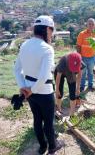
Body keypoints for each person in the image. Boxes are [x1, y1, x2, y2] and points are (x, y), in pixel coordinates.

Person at [14, 15, 64, 155]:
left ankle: (42, 147)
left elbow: (16, 69)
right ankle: (53, 147)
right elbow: (43, 76)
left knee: (37, 119)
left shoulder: (24, 45)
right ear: (47, 29)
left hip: (29, 91)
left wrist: (24, 87)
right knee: (48, 122)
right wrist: (31, 90)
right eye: (52, 30)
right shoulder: (47, 49)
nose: (52, 33)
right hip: (44, 91)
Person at [77, 18, 95, 92]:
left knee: (91, 72)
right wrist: (79, 57)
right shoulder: (82, 34)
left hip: (92, 57)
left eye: (92, 24)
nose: (91, 25)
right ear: (87, 25)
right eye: (89, 24)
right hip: (83, 58)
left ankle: (90, 86)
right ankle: (82, 86)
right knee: (83, 73)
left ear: (94, 25)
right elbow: (78, 46)